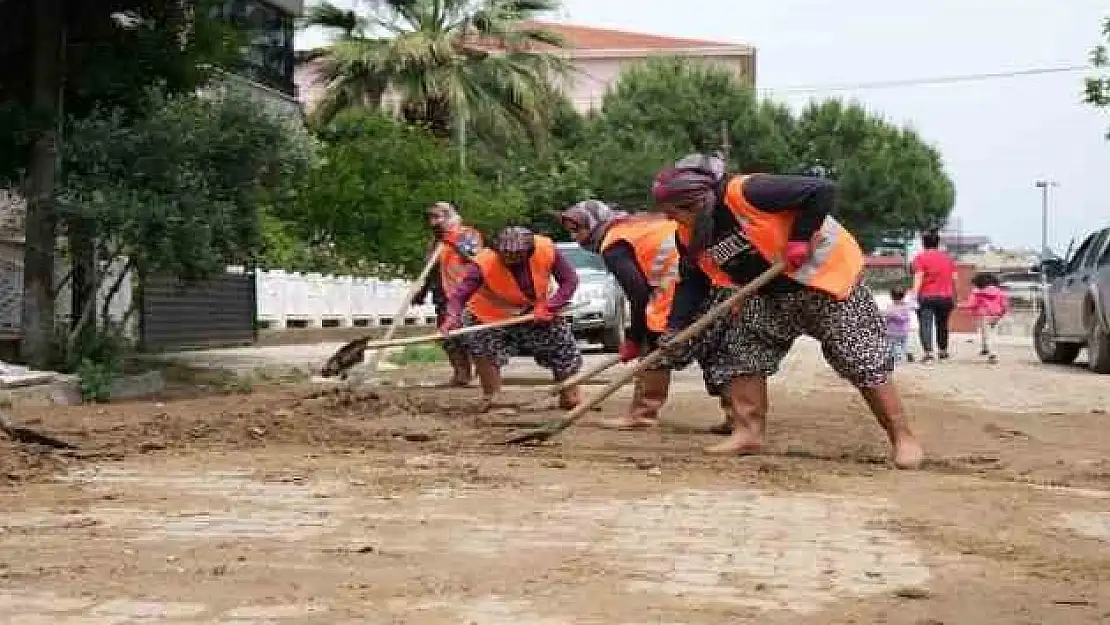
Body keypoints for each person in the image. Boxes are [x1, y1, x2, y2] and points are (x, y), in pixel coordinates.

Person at [649, 153, 925, 470]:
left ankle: (902, 436)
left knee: (859, 355)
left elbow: (821, 190)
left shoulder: (748, 191)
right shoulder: (688, 234)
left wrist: (799, 239)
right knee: (740, 351)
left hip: (825, 283)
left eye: (673, 212)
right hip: (766, 293)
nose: (671, 219)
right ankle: (748, 432)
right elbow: (692, 280)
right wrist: (676, 327)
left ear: (695, 202)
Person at [440, 226, 583, 410]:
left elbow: (570, 280)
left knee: (561, 344)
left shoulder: (546, 249)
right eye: (504, 254)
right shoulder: (484, 262)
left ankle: (569, 395)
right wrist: (452, 316)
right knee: (483, 348)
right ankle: (492, 399)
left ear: (528, 252)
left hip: (537, 310)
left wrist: (551, 305)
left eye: (516, 256)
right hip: (490, 313)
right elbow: (460, 295)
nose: (509, 259)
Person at [412, 202, 483, 386]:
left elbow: (475, 255)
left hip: (467, 295)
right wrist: (422, 292)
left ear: (450, 217)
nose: (433, 222)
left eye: (437, 217)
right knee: (447, 336)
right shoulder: (435, 242)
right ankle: (461, 374)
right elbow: (432, 270)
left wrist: (453, 239)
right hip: (443, 295)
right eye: (431, 218)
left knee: (469, 334)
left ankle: (484, 373)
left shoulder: (467, 234)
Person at [909, 230, 958, 363]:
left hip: (927, 297)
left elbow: (918, 277)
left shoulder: (920, 258)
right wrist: (955, 297)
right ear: (938, 243)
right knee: (942, 324)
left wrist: (913, 296)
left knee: (925, 325)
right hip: (946, 297)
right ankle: (943, 352)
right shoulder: (948, 258)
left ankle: (929, 354)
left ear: (923, 243)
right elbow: (954, 279)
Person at [959, 272, 1009, 364]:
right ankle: (985, 349)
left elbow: (972, 304)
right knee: (992, 334)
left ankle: (992, 354)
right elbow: (1005, 306)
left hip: (984, 315)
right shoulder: (1000, 292)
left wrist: (960, 305)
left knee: (986, 334)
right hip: (996, 315)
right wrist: (1001, 315)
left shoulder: (978, 293)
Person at [883, 287, 914, 364]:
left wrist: (885, 325)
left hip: (893, 331)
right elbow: (908, 316)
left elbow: (887, 317)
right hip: (904, 330)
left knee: (895, 345)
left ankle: (898, 358)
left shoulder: (890, 307)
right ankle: (907, 352)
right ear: (903, 296)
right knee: (904, 343)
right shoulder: (906, 306)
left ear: (891, 297)